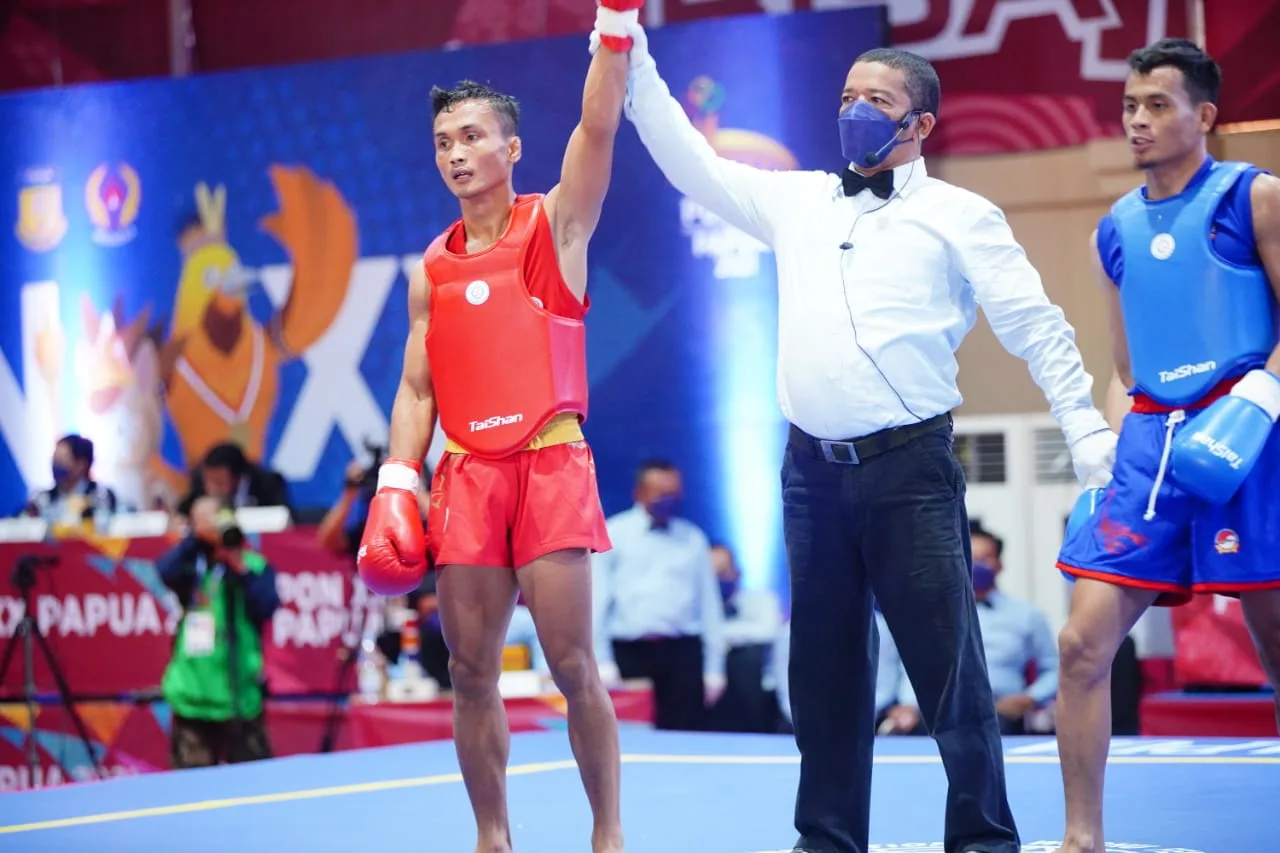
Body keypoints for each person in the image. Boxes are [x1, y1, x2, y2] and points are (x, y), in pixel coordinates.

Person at [594, 20, 1117, 853]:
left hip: (910, 467)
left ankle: (983, 839)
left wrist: (1083, 424)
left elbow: (1036, 326)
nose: (854, 111)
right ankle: (828, 839)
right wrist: (631, 48)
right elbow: (687, 160)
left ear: (920, 123)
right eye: (846, 96)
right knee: (825, 671)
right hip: (810, 472)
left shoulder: (960, 214)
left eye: (876, 98)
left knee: (948, 669)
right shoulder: (797, 200)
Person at [355, 3, 643, 851]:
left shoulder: (554, 226)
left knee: (573, 665)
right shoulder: (431, 267)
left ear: (511, 148)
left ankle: (607, 834)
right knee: (470, 670)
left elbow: (598, 126)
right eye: (443, 141)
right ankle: (493, 836)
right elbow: (416, 389)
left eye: (472, 137)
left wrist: (615, 29)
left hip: (549, 467)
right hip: (468, 475)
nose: (455, 153)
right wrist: (397, 482)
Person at [1054, 38, 1280, 853]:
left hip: (1251, 435)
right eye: (1129, 106)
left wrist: (1260, 397)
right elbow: (1126, 366)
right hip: (1151, 442)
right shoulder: (1111, 231)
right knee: (1081, 644)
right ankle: (1082, 838)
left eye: (1157, 104)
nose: (1138, 120)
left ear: (1204, 115)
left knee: (1277, 642)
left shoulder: (1256, 198)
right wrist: (1107, 448)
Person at [158, 496, 282, 768]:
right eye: (201, 520)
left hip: (241, 698)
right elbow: (165, 571)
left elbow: (267, 604)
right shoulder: (192, 566)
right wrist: (195, 539)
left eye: (214, 518)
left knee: (257, 784)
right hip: (193, 699)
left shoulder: (255, 566)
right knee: (192, 788)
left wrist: (238, 564)